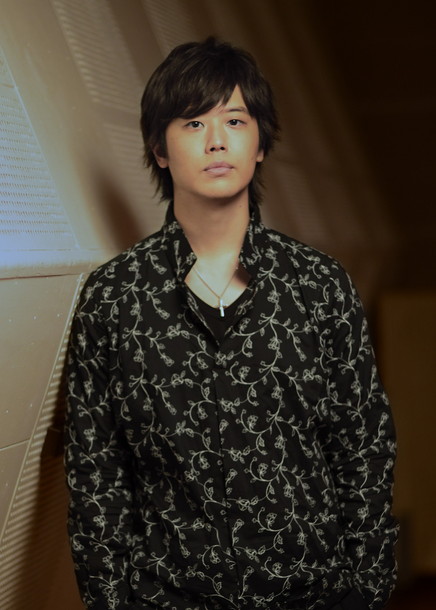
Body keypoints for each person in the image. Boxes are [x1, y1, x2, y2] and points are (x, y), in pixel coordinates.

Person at [64, 37, 397, 610]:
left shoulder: (319, 285)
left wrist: (366, 592)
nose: (216, 140)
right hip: (169, 598)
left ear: (260, 143)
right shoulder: (115, 297)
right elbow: (96, 472)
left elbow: (363, 447)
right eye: (193, 122)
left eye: (235, 120)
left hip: (312, 593)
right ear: (159, 149)